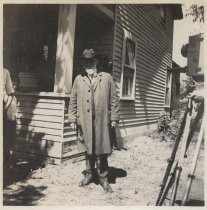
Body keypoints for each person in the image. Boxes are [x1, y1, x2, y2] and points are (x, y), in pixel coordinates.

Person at [68, 49, 119, 193]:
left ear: (96, 62)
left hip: (102, 121)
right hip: (84, 120)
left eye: (91, 61)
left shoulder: (107, 78)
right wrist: (72, 118)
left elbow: (114, 100)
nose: (88, 65)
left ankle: (103, 177)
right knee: (87, 149)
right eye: (86, 62)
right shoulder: (79, 79)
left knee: (102, 150)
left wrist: (114, 117)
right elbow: (72, 100)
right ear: (83, 63)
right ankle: (90, 174)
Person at [3, 68, 16, 167]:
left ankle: (5, 164)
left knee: (5, 137)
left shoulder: (5, 72)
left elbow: (10, 93)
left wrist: (5, 107)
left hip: (3, 107)